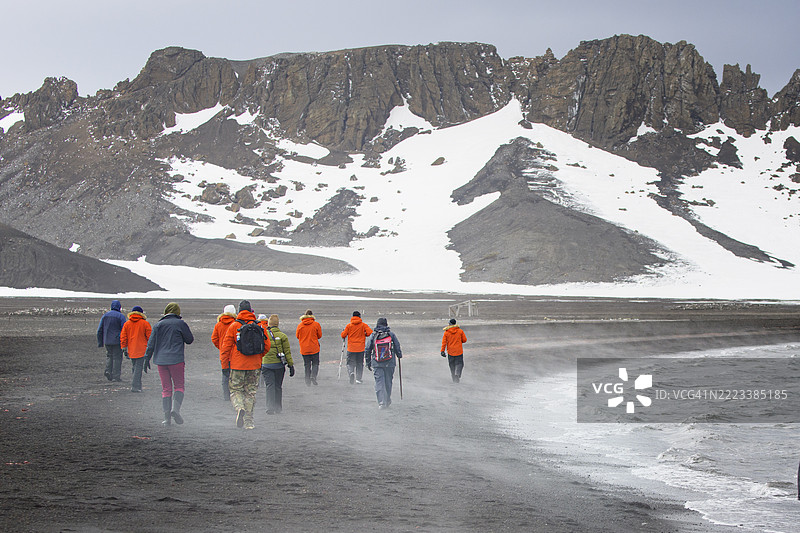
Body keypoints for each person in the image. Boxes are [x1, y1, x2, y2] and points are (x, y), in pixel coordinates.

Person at [221, 300, 270, 429]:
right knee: (250, 393)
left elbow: (225, 348)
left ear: (239, 310)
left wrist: (225, 366)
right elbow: (267, 345)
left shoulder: (234, 326)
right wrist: (258, 357)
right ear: (250, 310)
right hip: (254, 365)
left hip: (237, 365)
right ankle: (249, 422)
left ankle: (239, 408)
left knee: (236, 390)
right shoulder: (259, 325)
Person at [144, 302, 194, 426]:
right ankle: (175, 410)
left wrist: (146, 359)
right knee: (179, 386)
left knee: (166, 389)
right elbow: (189, 340)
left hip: (161, 361)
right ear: (178, 312)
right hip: (176, 360)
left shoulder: (158, 325)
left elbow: (150, 344)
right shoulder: (180, 324)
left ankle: (167, 419)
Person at [364, 317, 402, 409]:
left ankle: (381, 402)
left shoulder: (373, 336)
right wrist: (399, 355)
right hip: (390, 362)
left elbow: (367, 349)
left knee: (379, 382)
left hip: (376, 363)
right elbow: (397, 346)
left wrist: (368, 362)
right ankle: (387, 400)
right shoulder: (391, 335)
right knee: (388, 382)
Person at [261, 314, 295, 414]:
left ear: (269, 323)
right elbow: (287, 352)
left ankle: (269, 407)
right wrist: (291, 365)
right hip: (279, 365)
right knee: (278, 386)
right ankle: (278, 407)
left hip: (266, 364)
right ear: (277, 324)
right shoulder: (283, 336)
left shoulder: (264, 335)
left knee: (269, 385)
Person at [120, 305, 151, 392]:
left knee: (134, 367)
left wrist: (124, 348)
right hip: (142, 350)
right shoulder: (145, 324)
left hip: (131, 350)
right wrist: (150, 348)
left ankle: (137, 386)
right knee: (138, 368)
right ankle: (135, 386)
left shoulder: (127, 324)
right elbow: (150, 337)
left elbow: (123, 337)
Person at [97, 300, 126, 382]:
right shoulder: (121, 316)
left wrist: (100, 342)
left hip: (107, 341)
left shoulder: (105, 315)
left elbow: (100, 329)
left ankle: (108, 371)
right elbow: (125, 329)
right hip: (117, 341)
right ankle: (116, 376)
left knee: (109, 356)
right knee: (117, 358)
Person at [212, 304, 237, 400]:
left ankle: (226, 396)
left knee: (225, 375)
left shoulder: (218, 325)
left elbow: (214, 338)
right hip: (235, 355)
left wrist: (222, 348)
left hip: (224, 355)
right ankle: (234, 395)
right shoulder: (235, 324)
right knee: (235, 376)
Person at [340, 311, 372, 385]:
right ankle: (358, 379)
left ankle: (351, 372)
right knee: (360, 363)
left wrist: (343, 332)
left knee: (349, 363)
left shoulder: (349, 326)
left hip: (351, 348)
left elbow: (343, 335)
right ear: (360, 317)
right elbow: (370, 332)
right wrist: (365, 334)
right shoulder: (363, 325)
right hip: (360, 348)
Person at [296, 309, 322, 386]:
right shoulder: (316, 324)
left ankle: (307, 380)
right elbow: (319, 336)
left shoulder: (300, 325)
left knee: (307, 365)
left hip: (304, 348)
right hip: (314, 348)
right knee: (315, 364)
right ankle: (313, 376)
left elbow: (297, 336)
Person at [441, 318, 467, 383]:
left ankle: (454, 379)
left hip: (450, 352)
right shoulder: (460, 331)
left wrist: (442, 351)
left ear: (449, 324)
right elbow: (464, 340)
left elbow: (444, 343)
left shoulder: (446, 333)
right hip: (459, 352)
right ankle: (457, 374)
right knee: (460, 364)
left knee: (452, 366)